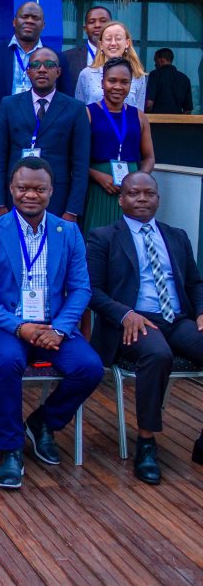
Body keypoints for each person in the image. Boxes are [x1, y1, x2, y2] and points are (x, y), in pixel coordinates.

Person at [0, 157, 103, 490]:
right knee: (8, 360)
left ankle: (44, 421)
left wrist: (59, 328)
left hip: (54, 324)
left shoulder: (68, 231)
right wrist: (18, 327)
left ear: (51, 191)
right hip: (3, 325)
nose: (31, 195)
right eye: (23, 188)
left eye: (39, 189)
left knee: (90, 367)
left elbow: (81, 287)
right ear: (12, 190)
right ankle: (10, 449)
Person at [87, 172, 203, 484]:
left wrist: (202, 312)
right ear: (121, 199)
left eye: (148, 194)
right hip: (132, 321)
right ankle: (147, 442)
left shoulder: (176, 236)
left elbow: (194, 282)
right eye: (134, 194)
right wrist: (125, 314)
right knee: (157, 354)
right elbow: (92, 291)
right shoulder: (103, 237)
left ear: (157, 199)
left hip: (177, 319)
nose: (142, 199)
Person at [0, 48, 90, 221]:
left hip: (58, 199)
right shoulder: (8, 105)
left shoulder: (76, 109)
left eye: (49, 65)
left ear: (58, 71)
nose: (42, 69)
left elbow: (81, 164)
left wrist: (72, 210)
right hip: (14, 196)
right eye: (35, 65)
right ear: (28, 72)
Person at [83, 57, 154, 235]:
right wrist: (98, 176)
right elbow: (74, 157)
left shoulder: (139, 116)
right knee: (96, 240)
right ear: (102, 82)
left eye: (124, 82)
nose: (118, 87)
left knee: (129, 242)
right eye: (112, 80)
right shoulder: (87, 113)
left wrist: (137, 182)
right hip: (98, 189)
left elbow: (149, 157)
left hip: (131, 192)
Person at [0, 1, 72, 110]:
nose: (29, 21)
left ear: (43, 25)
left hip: (42, 122)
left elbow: (66, 98)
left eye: (35, 18)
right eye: (25, 16)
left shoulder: (57, 58)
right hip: (0, 121)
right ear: (14, 22)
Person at [75, 21, 147, 109]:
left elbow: (139, 112)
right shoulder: (86, 74)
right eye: (108, 39)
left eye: (118, 39)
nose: (113, 43)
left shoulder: (137, 75)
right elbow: (79, 111)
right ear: (101, 44)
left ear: (127, 43)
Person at [58, 5, 111, 95]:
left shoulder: (123, 57)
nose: (97, 25)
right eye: (92, 22)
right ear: (85, 28)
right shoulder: (66, 58)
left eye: (103, 21)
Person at [146, 48, 193, 115]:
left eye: (155, 61)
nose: (155, 64)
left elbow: (149, 104)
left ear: (161, 60)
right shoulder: (185, 79)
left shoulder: (154, 75)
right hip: (177, 122)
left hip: (157, 121)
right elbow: (188, 110)